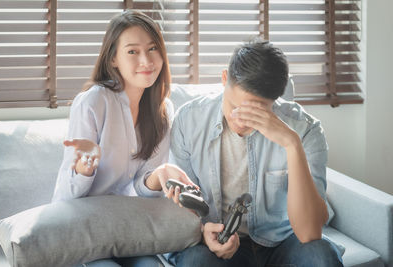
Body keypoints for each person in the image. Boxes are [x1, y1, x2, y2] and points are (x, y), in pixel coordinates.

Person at [163, 37, 344, 266]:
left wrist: (292, 144)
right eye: (235, 107)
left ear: (275, 100)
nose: (240, 120)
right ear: (224, 78)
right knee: (195, 262)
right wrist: (202, 232)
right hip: (218, 240)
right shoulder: (189, 121)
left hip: (281, 241)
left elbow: (309, 233)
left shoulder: (305, 130)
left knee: (321, 255)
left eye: (255, 113)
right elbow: (180, 204)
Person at [52, 10, 192, 267]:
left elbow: (141, 190)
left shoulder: (163, 111)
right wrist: (84, 169)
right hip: (80, 226)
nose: (146, 60)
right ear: (113, 59)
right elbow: (68, 193)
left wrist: (159, 175)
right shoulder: (94, 101)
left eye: (152, 49)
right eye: (132, 51)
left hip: (125, 225)